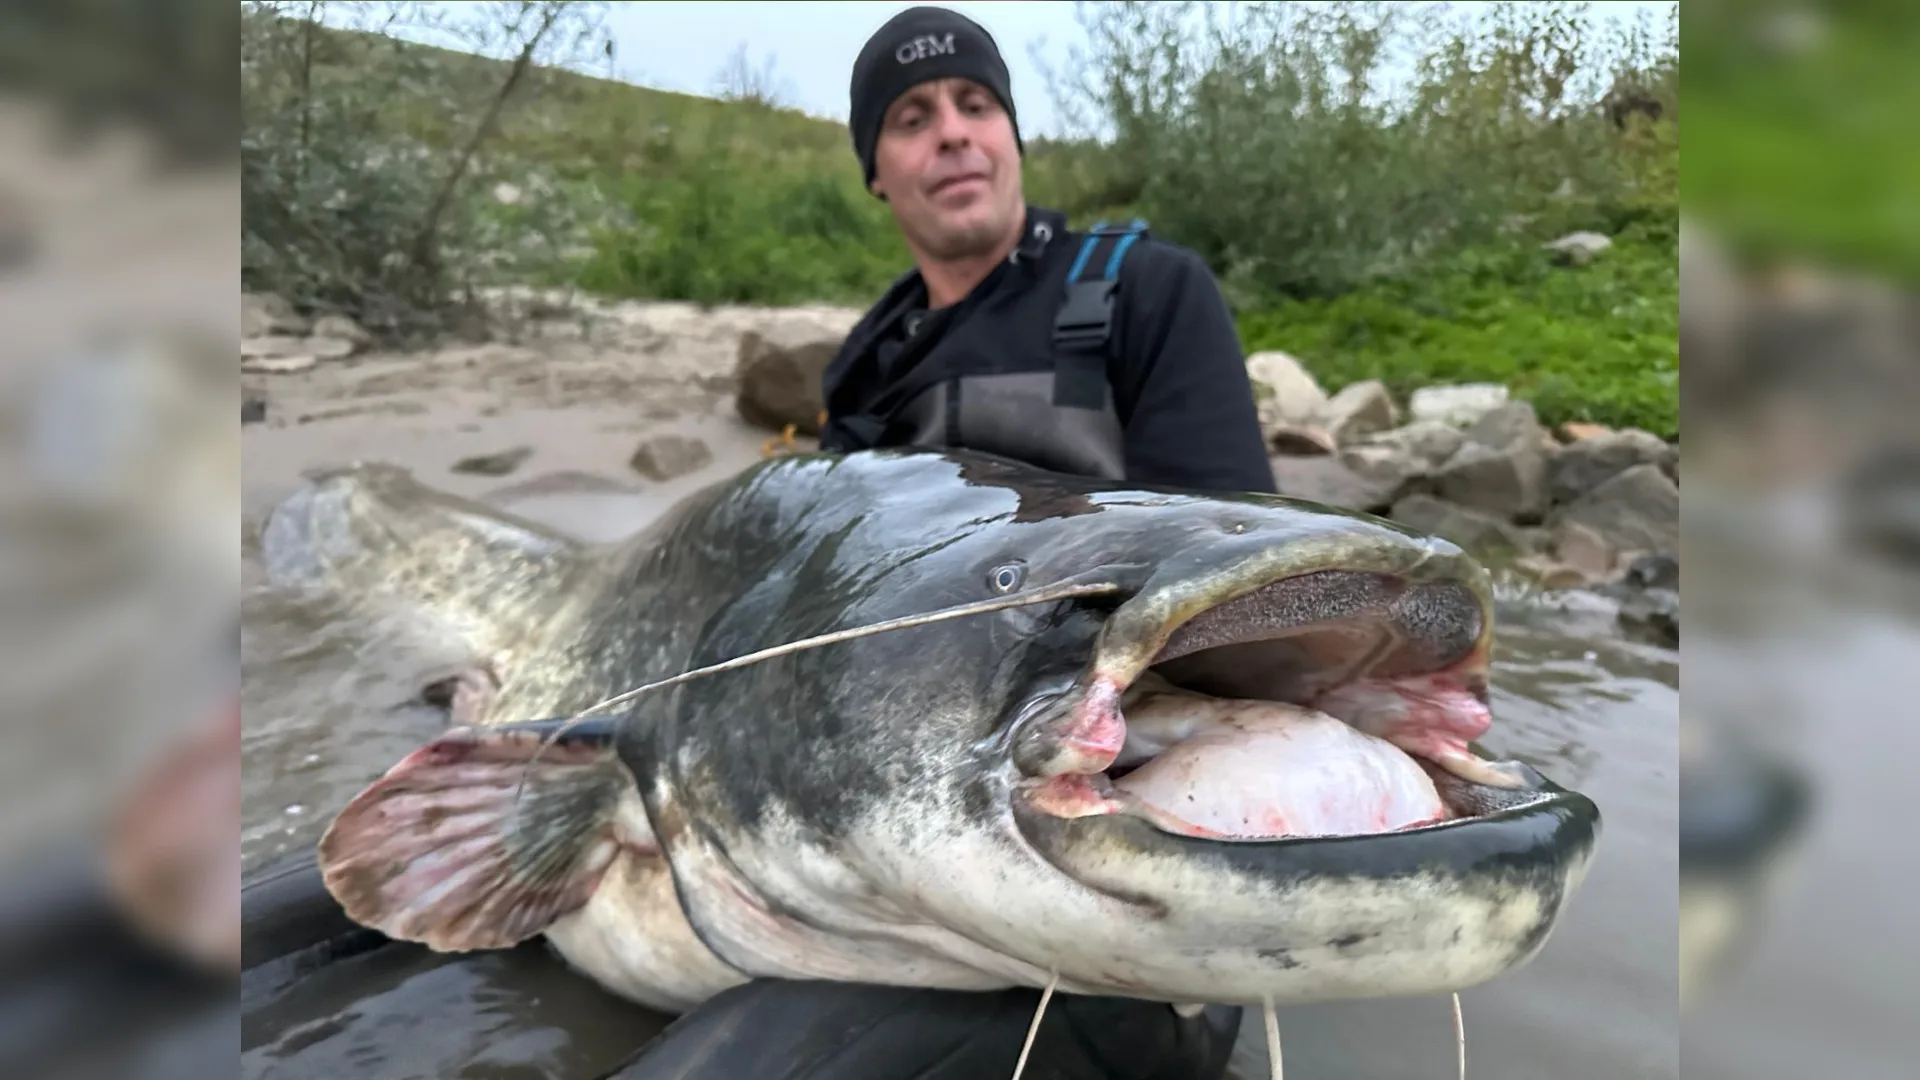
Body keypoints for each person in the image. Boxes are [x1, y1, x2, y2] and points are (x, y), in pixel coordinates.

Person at [818, 5, 1276, 499]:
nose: (953, 133)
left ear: (1013, 140)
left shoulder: (1151, 292)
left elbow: (1230, 545)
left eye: (975, 106)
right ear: (876, 175)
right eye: (912, 120)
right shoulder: (862, 370)